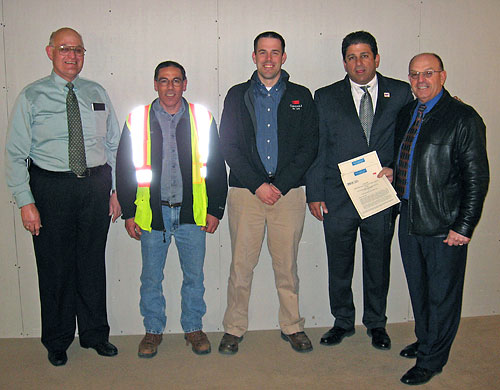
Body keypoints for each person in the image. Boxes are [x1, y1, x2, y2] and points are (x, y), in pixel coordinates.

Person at [5, 27, 121, 366]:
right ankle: (57, 340)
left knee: (91, 263)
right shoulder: (32, 96)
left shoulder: (96, 92)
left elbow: (113, 144)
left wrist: (116, 191)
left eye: (79, 50)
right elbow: (15, 154)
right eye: (65, 49)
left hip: (95, 186)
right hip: (50, 188)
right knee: (54, 267)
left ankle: (95, 334)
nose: (72, 56)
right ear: (50, 52)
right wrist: (26, 201)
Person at [306, 31, 413, 350]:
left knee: (378, 262)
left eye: (364, 55)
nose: (358, 62)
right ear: (344, 62)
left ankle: (377, 324)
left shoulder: (401, 92)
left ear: (376, 59)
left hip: (380, 194)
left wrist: (396, 169)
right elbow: (317, 146)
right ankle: (341, 321)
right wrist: (314, 192)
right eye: (351, 57)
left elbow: (408, 140)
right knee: (339, 262)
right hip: (337, 196)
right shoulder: (325, 96)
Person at [116, 61, 227, 358]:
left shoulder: (202, 118)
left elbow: (216, 166)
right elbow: (125, 169)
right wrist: (128, 213)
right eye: (164, 81)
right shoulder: (137, 120)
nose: (170, 87)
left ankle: (193, 327)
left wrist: (216, 208)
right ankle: (153, 330)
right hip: (153, 214)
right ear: (155, 84)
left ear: (185, 84)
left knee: (194, 277)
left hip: (193, 214)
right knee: (151, 278)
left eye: (176, 81)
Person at [218, 31, 318, 354]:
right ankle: (234, 328)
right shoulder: (237, 95)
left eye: (275, 53)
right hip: (246, 194)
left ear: (284, 57)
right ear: (254, 57)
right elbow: (228, 146)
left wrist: (280, 185)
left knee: (286, 265)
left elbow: (309, 146)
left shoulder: (301, 96)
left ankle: (292, 326)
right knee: (241, 266)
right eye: (263, 52)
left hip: (288, 194)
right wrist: (259, 185)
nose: (269, 59)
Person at [393, 53, 489, 385]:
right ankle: (426, 339)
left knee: (442, 294)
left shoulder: (463, 118)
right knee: (419, 290)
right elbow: (409, 159)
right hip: (409, 217)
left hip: (443, 224)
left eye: (428, 73)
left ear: (443, 76)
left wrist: (464, 226)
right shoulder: (408, 112)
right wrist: (394, 173)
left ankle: (432, 360)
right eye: (414, 74)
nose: (421, 80)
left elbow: (477, 178)